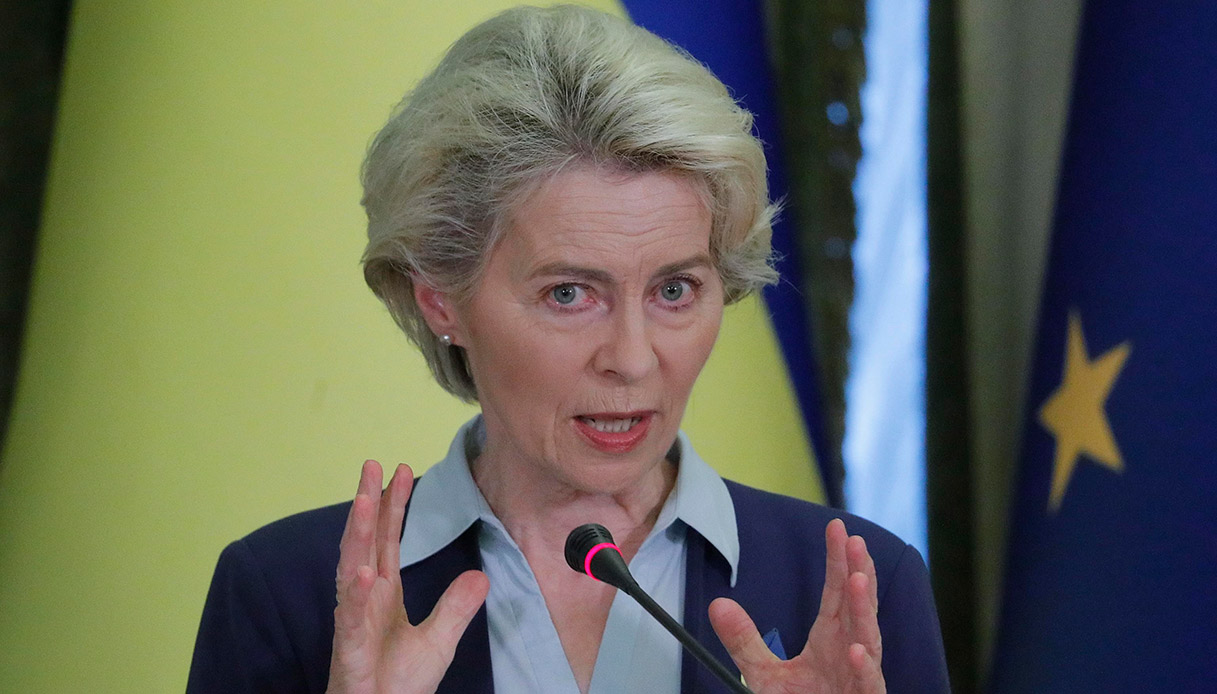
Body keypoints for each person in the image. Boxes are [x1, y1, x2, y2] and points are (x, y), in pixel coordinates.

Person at [187, 6, 949, 693]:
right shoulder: (285, 595)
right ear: (440, 297)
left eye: (674, 289)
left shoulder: (856, 587)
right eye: (568, 294)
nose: (632, 359)